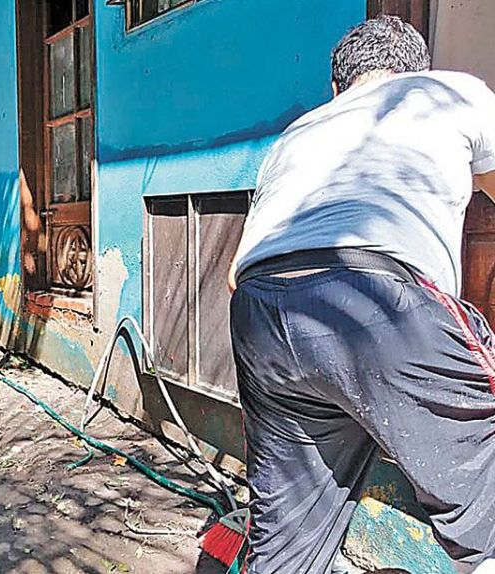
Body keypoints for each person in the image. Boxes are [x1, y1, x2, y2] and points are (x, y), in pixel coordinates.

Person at [227, 16, 495, 574]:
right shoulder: (451, 91)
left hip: (261, 312)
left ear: (337, 87)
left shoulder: (296, 134)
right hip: (378, 299)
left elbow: (235, 273)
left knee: (287, 542)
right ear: (417, 68)